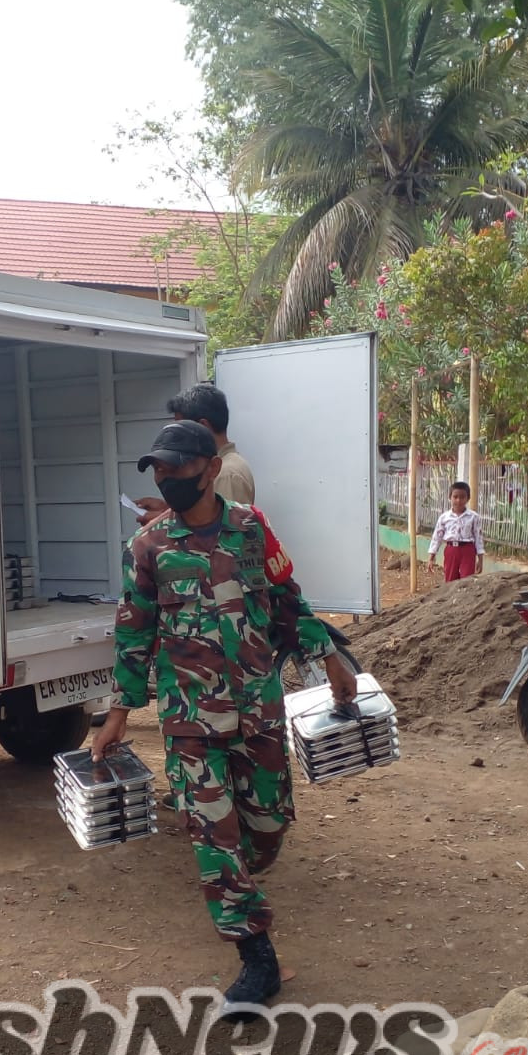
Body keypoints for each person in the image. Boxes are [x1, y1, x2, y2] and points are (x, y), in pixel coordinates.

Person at [93, 421, 358, 1010]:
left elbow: (288, 601)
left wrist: (332, 658)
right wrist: (116, 713)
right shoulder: (149, 546)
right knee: (214, 834)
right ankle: (255, 956)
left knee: (267, 828)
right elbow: (133, 634)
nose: (166, 479)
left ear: (210, 470)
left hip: (257, 709)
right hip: (190, 720)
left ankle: (244, 880)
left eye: (177, 469)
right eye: (158, 470)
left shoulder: (249, 528)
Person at [135, 382, 254, 525]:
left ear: (202, 426)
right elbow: (202, 514)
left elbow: (219, 532)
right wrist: (166, 510)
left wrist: (162, 525)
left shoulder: (226, 473)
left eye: (182, 426)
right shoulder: (224, 465)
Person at [427, 481, 485, 582]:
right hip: (451, 550)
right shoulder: (444, 517)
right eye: (455, 497)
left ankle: (465, 598)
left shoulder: (473, 517)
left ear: (468, 498)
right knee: (450, 580)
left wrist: (480, 559)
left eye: (462, 497)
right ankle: (451, 598)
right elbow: (437, 537)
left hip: (468, 550)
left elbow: (478, 538)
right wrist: (432, 556)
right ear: (450, 497)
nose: (458, 500)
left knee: (467, 580)